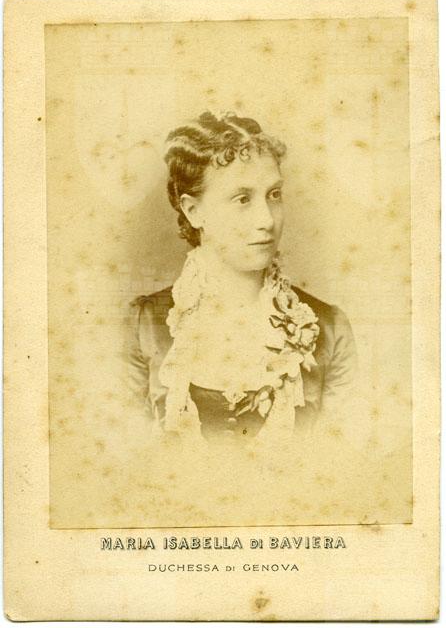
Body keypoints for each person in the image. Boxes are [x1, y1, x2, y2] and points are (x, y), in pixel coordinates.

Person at [128, 111, 357, 445]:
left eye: (274, 194)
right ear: (193, 211)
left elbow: (341, 460)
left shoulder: (329, 328)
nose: (267, 219)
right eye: (243, 199)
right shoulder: (144, 326)